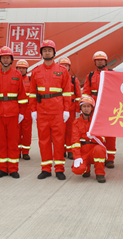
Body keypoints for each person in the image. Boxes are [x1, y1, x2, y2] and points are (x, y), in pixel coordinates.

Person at [29, 40, 71, 180]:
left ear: (54, 52)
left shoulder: (62, 70)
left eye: (49, 50)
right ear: (41, 53)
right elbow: (32, 93)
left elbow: (67, 92)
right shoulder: (36, 71)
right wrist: (33, 110)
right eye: (44, 50)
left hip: (58, 111)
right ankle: (46, 169)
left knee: (59, 141)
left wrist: (66, 110)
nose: (47, 52)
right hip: (42, 111)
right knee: (43, 141)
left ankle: (59, 169)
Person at [0, 47, 28, 178]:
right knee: (1, 143)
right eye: (3, 58)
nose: (5, 60)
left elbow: (22, 96)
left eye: (7, 58)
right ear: (0, 59)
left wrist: (22, 113)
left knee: (13, 143)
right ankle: (3, 168)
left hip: (13, 113)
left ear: (11, 60)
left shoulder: (17, 75)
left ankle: (13, 169)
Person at [82, 51, 116, 168]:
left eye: (101, 60)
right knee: (95, 134)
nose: (100, 62)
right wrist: (85, 108)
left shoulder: (112, 73)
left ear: (106, 61)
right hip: (94, 109)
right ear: (95, 62)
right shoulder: (90, 75)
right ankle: (98, 156)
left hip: (108, 108)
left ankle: (110, 158)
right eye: (97, 60)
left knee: (110, 134)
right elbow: (86, 93)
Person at [71, 95, 107, 183]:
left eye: (88, 106)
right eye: (84, 106)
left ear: (92, 108)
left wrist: (94, 137)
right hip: (83, 152)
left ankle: (100, 173)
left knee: (100, 149)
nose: (86, 109)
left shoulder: (96, 122)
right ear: (81, 108)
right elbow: (75, 141)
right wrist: (77, 157)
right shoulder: (76, 123)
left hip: (94, 150)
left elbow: (103, 138)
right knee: (77, 169)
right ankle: (86, 168)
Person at [59, 56, 81, 160]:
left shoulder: (73, 79)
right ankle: (62, 150)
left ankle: (70, 150)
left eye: (66, 65)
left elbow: (78, 96)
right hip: (59, 109)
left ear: (69, 67)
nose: (64, 67)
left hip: (71, 110)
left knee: (71, 131)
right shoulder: (55, 79)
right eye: (62, 65)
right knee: (59, 131)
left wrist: (77, 110)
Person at [15, 59, 33, 160]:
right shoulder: (13, 80)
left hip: (27, 109)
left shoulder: (31, 80)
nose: (21, 70)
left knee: (27, 131)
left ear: (27, 69)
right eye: (19, 68)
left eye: (23, 68)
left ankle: (25, 151)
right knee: (16, 131)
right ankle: (17, 151)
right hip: (16, 108)